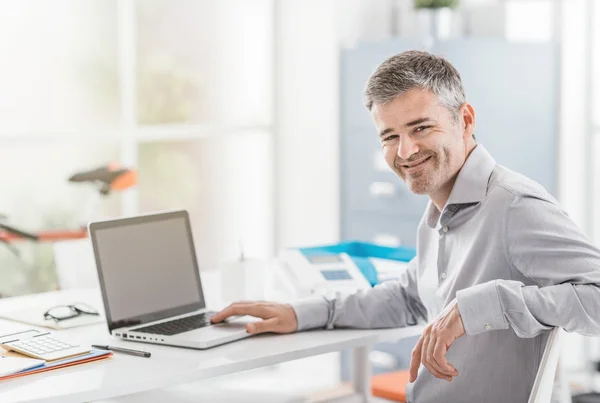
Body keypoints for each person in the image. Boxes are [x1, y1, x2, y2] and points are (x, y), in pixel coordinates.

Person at [212, 50, 600, 402]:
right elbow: (407, 298)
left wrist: (485, 303)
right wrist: (301, 313)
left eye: (420, 128)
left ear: (464, 120)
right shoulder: (440, 210)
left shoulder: (514, 206)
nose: (406, 151)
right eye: (390, 136)